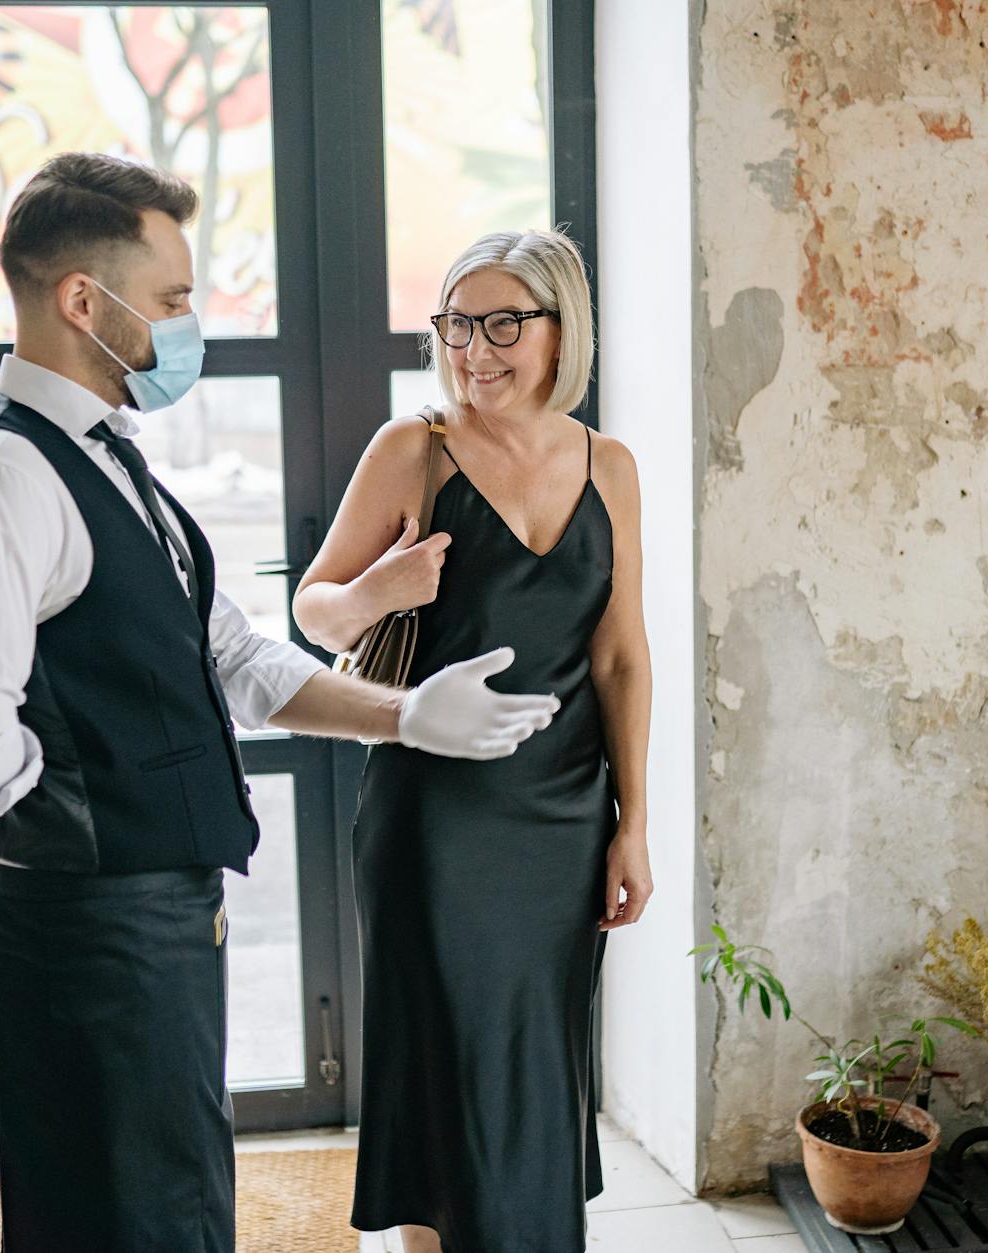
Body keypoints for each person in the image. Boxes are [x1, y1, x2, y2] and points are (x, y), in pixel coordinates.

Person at [0, 153, 558, 1252]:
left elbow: (236, 657)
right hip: (88, 923)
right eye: (173, 299)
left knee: (176, 1204)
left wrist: (405, 712)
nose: (188, 322)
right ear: (81, 302)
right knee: (123, 1219)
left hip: (158, 911)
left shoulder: (110, 461)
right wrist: (78, 788)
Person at [294, 228, 654, 1252]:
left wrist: (633, 824)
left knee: (534, 1071)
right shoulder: (412, 450)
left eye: (502, 322)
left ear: (559, 330)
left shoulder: (609, 466)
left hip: (560, 825)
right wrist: (373, 593)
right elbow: (313, 611)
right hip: (434, 822)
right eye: (455, 324)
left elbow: (621, 657)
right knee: (444, 1077)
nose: (473, 348)